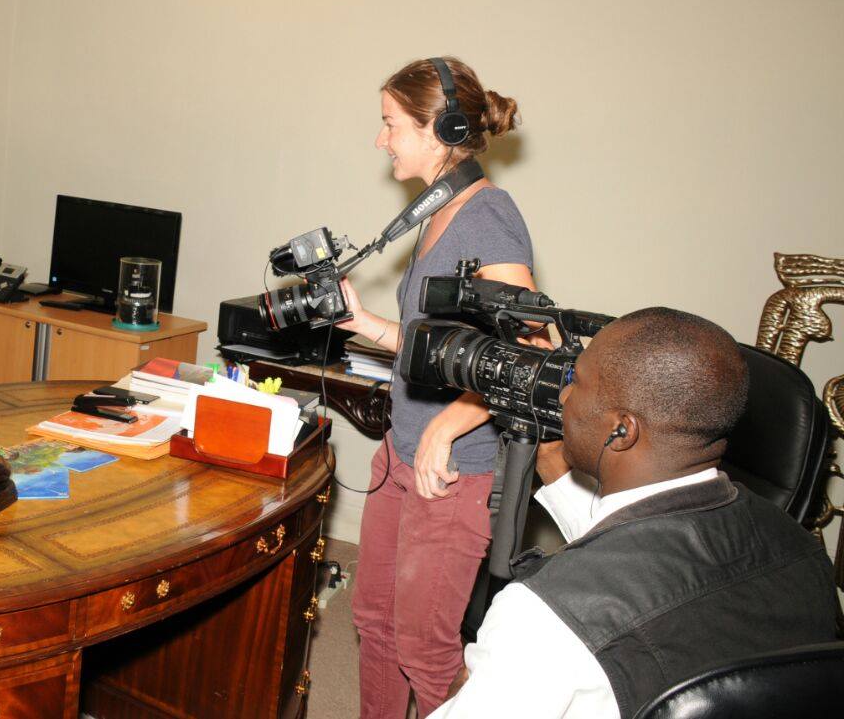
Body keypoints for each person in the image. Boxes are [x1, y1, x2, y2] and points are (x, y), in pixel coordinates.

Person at [430, 307, 840, 719]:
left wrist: (459, 692)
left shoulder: (540, 617)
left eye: (577, 382)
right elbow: (646, 564)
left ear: (622, 430)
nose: (564, 396)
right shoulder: (803, 548)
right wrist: (553, 463)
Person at [337, 56, 541, 717]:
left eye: (391, 124)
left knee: (424, 649)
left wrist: (447, 427)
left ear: (442, 129)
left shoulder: (488, 216)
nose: (381, 139)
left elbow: (530, 350)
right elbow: (442, 350)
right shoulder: (438, 211)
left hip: (450, 472)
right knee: (374, 621)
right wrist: (366, 324)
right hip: (401, 454)